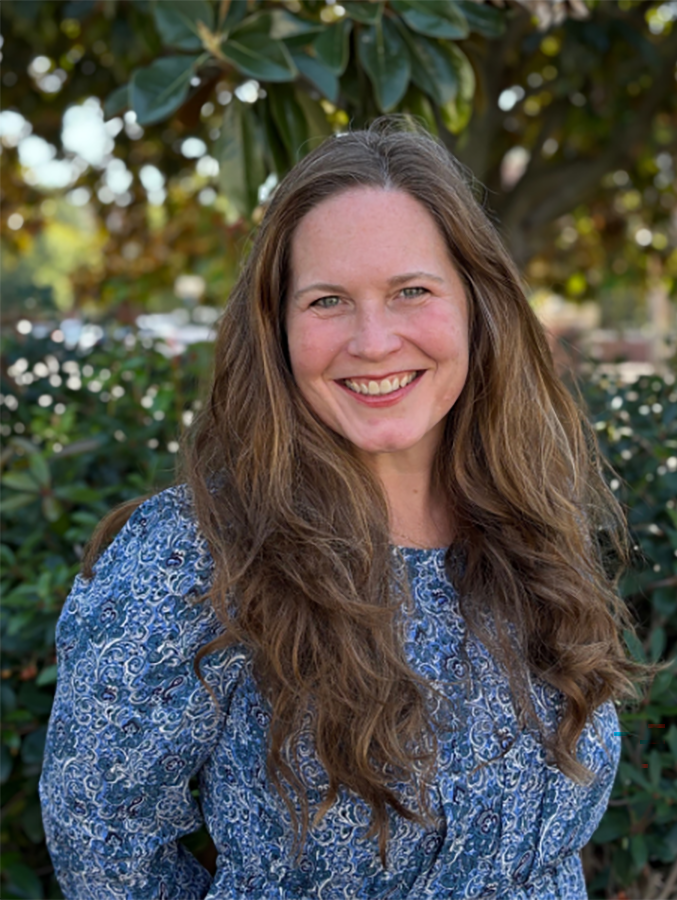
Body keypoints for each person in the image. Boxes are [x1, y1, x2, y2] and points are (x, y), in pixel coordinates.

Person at [40, 117, 643, 899]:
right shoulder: (194, 556)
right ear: (278, 330)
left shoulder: (531, 518)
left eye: (412, 291)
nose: (373, 339)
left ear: (476, 304)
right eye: (327, 301)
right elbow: (105, 847)